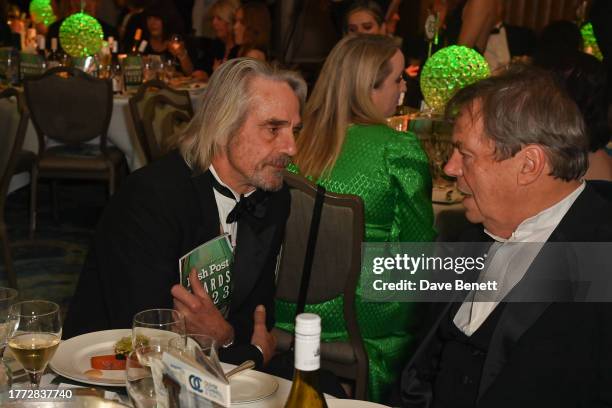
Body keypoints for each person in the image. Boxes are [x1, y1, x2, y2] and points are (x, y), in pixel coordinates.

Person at [63, 58, 307, 369]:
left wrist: (227, 338)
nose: (291, 147)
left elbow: (259, 315)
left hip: (217, 370)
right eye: (273, 128)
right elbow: (147, 333)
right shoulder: (152, 198)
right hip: (112, 372)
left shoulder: (272, 196)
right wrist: (250, 353)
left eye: (294, 130)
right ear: (223, 126)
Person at [399, 65, 612, 407]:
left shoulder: (600, 255)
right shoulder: (466, 236)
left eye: (465, 154)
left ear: (528, 165)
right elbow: (425, 370)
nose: (450, 168)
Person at [275, 34, 436, 402]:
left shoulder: (293, 140)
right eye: (398, 79)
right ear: (369, 86)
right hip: (357, 320)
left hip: (280, 308)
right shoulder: (398, 149)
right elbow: (416, 252)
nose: (403, 86)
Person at [46, 0, 119, 51]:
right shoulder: (56, 30)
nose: (84, 3)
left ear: (97, 3)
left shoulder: (109, 32)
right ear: (72, 2)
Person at [142, 4, 194, 75]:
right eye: (149, 18)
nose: (152, 23)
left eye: (157, 19)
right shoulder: (143, 42)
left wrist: (182, 55)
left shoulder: (176, 42)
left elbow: (190, 72)